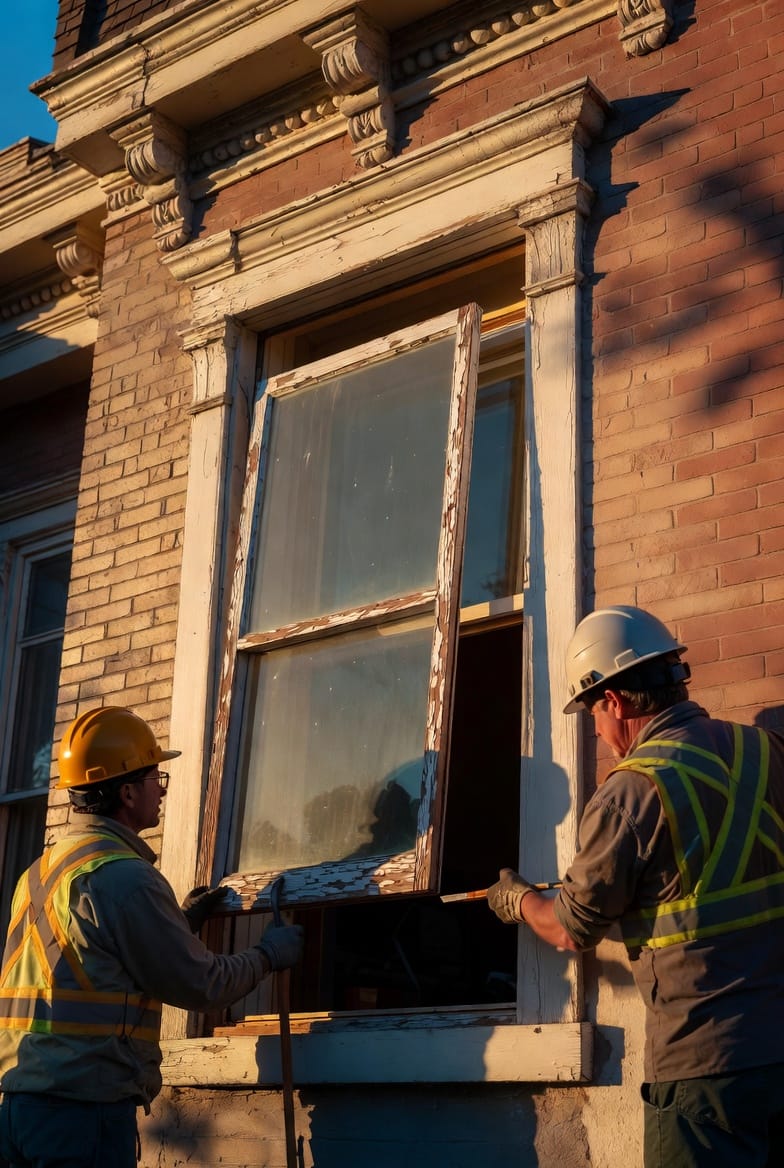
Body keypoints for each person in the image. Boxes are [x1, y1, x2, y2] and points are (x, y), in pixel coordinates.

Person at [487, 605, 784, 1168]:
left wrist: (519, 901)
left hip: (706, 1068)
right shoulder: (765, 752)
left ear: (615, 701)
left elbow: (573, 927)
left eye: (592, 714)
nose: (597, 731)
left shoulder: (630, 793)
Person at [0, 706, 304, 1168]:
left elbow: (89, 959)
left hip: (20, 1108)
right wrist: (268, 954)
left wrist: (177, 926)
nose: (160, 791)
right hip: (83, 1114)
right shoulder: (126, 878)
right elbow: (201, 985)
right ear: (126, 791)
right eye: (154, 778)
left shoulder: (40, 873)